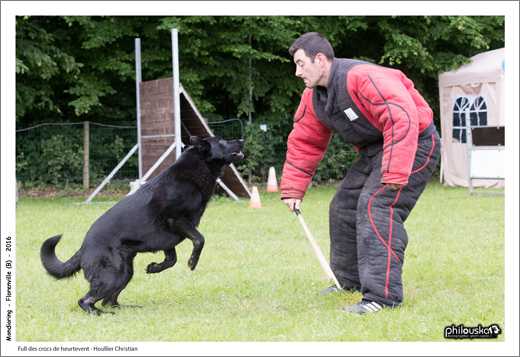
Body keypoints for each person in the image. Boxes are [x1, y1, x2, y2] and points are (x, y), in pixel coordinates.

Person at [280, 32, 440, 314]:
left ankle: (382, 297)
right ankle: (348, 282)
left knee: (376, 206)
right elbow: (305, 140)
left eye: (300, 63)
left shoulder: (362, 77)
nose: (297, 72)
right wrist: (293, 189)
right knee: (342, 207)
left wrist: (394, 170)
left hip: (414, 143)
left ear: (320, 59)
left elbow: (400, 116)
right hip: (375, 151)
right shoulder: (313, 97)